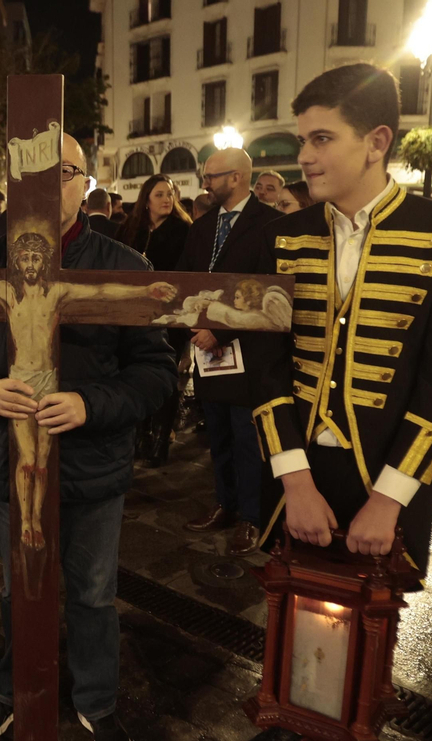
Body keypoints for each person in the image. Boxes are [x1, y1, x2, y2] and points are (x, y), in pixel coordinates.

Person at [232, 63, 432, 741]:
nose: (303, 155)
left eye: (320, 138)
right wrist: (293, 476)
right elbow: (265, 364)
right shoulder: (286, 234)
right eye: (300, 138)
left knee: (374, 623)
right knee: (285, 605)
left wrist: (392, 497)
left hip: (389, 477)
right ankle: (283, 714)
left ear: (376, 142)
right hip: (300, 468)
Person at [0, 134, 176, 741]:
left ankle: (96, 699)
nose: (47, 184)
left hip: (92, 467)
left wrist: (91, 403)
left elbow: (156, 373)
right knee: (22, 588)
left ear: (85, 182)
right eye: (31, 172)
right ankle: (18, 685)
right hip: (9, 464)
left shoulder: (124, 267)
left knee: (93, 592)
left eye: (64, 171)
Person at [178, 148, 284, 557]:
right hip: (207, 350)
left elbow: (268, 293)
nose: (205, 183)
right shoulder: (202, 227)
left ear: (237, 177)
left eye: (212, 176)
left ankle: (252, 518)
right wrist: (192, 324)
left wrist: (219, 333)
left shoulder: (271, 224)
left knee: (247, 438)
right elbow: (187, 279)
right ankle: (225, 503)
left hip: (248, 353)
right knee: (217, 434)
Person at [117, 175, 194, 467]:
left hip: (169, 315)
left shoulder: (183, 230)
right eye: (160, 194)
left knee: (166, 376)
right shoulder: (130, 228)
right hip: (135, 315)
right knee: (136, 373)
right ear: (146, 198)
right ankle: (140, 434)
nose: (167, 199)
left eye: (171, 194)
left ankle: (161, 440)